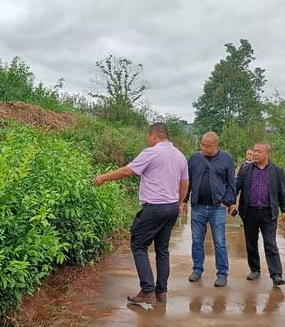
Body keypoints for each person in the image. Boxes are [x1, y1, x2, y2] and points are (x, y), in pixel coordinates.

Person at [93, 123, 189, 304]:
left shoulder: (151, 152)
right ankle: (161, 292)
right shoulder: (180, 156)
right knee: (162, 250)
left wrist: (104, 177)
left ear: (153, 135)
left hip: (154, 208)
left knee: (138, 245)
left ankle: (147, 290)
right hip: (171, 207)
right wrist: (180, 203)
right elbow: (185, 182)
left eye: (148, 137)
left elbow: (127, 171)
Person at [229, 142, 285, 287]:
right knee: (251, 243)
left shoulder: (277, 171)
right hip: (249, 212)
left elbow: (282, 192)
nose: (255, 154)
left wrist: (284, 210)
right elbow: (237, 186)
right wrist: (231, 202)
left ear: (267, 154)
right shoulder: (246, 169)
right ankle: (255, 269)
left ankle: (276, 275)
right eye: (254, 151)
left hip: (269, 213)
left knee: (270, 243)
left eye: (258, 151)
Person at [183, 132, 235, 287]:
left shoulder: (226, 159)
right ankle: (197, 270)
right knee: (197, 241)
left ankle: (222, 274)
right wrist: (184, 201)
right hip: (198, 207)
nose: (203, 148)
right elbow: (188, 181)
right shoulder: (194, 158)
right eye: (202, 144)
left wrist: (229, 202)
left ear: (215, 145)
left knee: (220, 242)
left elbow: (231, 182)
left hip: (217, 208)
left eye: (206, 146)